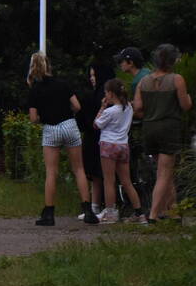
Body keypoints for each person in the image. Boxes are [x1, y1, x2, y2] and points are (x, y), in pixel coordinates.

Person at [27, 52, 99, 226]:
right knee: (79, 169)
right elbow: (77, 106)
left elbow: (33, 118)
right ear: (49, 65)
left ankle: (49, 214)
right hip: (69, 126)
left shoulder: (35, 90)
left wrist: (45, 116)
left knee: (51, 172)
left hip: (51, 130)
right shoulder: (63, 84)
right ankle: (88, 211)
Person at [134, 43, 192, 221]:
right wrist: (188, 98)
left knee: (164, 172)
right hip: (169, 128)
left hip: (149, 128)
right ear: (172, 60)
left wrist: (151, 113)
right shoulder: (177, 79)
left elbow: (137, 108)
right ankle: (153, 214)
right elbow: (185, 106)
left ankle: (173, 211)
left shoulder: (143, 81)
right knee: (165, 173)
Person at [94, 78, 146, 224]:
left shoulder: (110, 111)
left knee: (109, 181)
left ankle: (110, 213)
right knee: (127, 181)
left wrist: (102, 107)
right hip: (123, 146)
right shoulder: (128, 108)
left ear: (110, 94)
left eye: (106, 92)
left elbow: (96, 124)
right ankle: (139, 213)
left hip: (109, 145)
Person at [77, 63, 116, 219]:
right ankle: (96, 205)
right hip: (99, 138)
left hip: (100, 138)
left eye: (94, 76)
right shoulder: (101, 95)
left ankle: (105, 207)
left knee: (100, 174)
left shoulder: (100, 97)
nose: (92, 79)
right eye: (91, 76)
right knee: (97, 174)